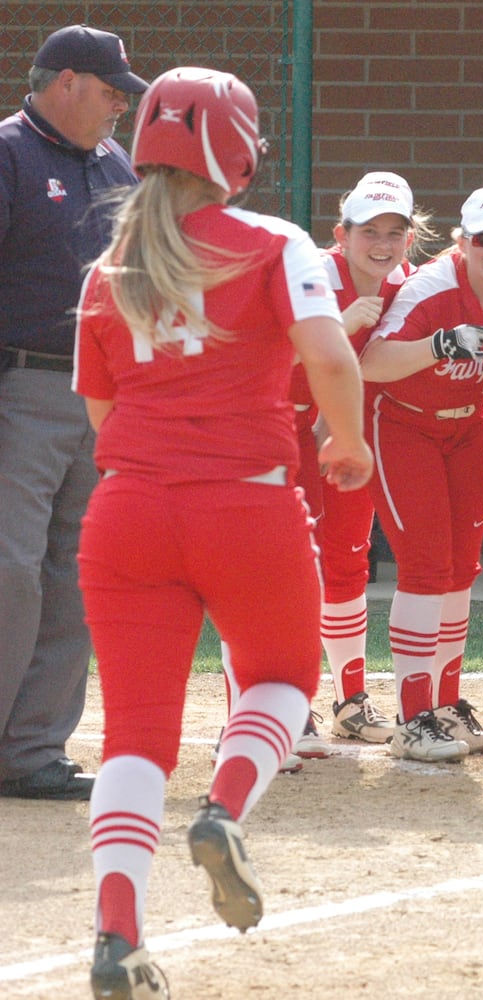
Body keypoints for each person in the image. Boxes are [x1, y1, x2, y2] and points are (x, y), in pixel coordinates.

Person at [74, 67, 372, 998]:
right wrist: (350, 442)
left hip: (126, 510)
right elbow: (327, 354)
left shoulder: (110, 265)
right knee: (285, 678)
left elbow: (99, 410)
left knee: (132, 737)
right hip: (243, 503)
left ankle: (117, 935)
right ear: (234, 151)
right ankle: (225, 810)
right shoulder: (274, 241)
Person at [0, 25, 146, 802]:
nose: (122, 100)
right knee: (10, 572)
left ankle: (31, 751)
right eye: (111, 86)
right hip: (19, 388)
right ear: (65, 83)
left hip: (99, 394)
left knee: (74, 577)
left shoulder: (114, 163)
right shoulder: (8, 153)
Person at [358, 187, 483, 764]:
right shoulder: (433, 287)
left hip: (466, 425)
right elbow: (373, 364)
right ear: (462, 243)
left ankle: (445, 706)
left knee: (462, 569)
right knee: (424, 566)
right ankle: (413, 717)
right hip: (402, 423)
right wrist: (439, 344)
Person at [306, 171, 433, 746]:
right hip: (292, 434)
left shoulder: (409, 284)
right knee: (294, 569)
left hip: (354, 439)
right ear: (342, 233)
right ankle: (286, 700)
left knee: (348, 564)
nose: (382, 244)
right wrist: (337, 328)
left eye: (394, 232)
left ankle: (349, 699)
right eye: (369, 232)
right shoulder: (309, 273)